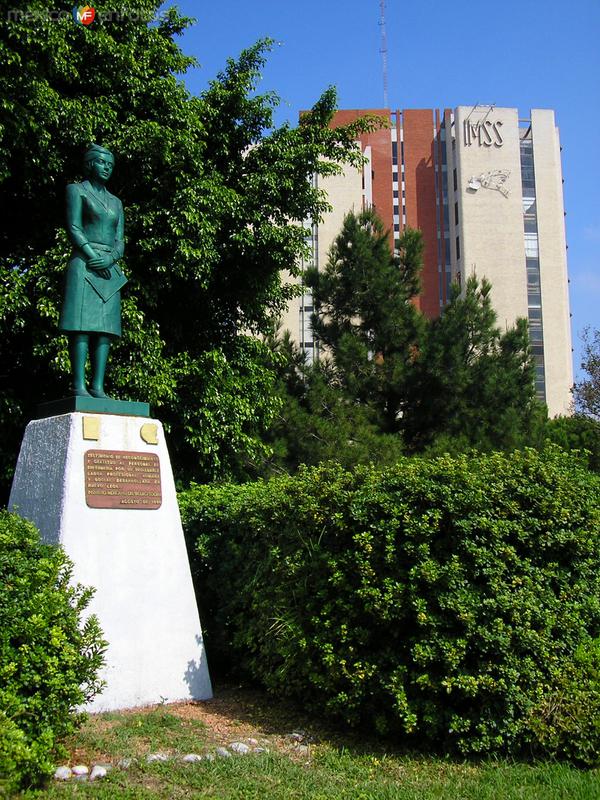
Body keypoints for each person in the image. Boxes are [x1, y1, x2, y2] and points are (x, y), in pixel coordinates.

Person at [58, 144, 126, 398]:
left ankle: (98, 386)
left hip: (109, 267)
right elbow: (74, 227)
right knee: (82, 326)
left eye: (110, 164)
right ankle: (78, 385)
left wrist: (111, 258)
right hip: (85, 264)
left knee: (105, 329)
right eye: (101, 162)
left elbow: (120, 240)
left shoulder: (116, 202)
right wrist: (92, 254)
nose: (106, 168)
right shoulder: (76, 191)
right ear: (89, 164)